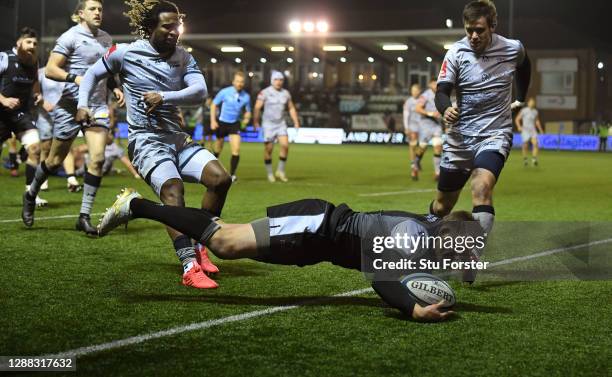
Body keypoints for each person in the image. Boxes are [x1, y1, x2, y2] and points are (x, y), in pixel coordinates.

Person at [99, 188, 478, 322]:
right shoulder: (412, 235)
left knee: (225, 240)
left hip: (314, 242)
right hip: (316, 226)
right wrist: (414, 309)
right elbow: (382, 278)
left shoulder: (428, 234)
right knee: (224, 242)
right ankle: (136, 206)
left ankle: (139, 207)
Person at [78, 0, 231, 289]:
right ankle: (189, 266)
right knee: (173, 190)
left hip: (177, 139)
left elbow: (200, 91)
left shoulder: (184, 57)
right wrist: (83, 104)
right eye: (167, 26)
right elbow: (91, 75)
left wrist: (165, 96)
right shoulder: (124, 53)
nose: (175, 31)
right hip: (146, 141)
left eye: (177, 25)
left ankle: (200, 246)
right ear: (150, 28)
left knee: (220, 179)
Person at [432, 0, 531, 280]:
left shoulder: (512, 48)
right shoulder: (455, 52)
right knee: (442, 207)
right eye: (469, 31)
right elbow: (442, 91)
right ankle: (428, 242)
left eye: (479, 30)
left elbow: (525, 66)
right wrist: (445, 107)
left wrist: (520, 97)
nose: (473, 36)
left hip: (494, 133)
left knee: (482, 188)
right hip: (460, 139)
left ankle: (471, 255)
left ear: (492, 27)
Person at [22, 0, 125, 234]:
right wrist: (78, 80)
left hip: (97, 106)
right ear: (80, 14)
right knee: (54, 161)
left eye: (100, 9)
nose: (98, 12)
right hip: (70, 105)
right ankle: (30, 194)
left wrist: (114, 86)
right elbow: (50, 70)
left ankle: (84, 216)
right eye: (92, 9)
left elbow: (108, 69)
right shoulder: (70, 37)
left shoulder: (107, 39)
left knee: (97, 159)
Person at [0, 28, 47, 206]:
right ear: (19, 43)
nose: (32, 46)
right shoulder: (4, 58)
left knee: (35, 148)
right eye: (28, 42)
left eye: (35, 44)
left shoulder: (34, 63)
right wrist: (3, 100)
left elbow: (34, 82)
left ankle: (30, 195)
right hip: (1, 114)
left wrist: (38, 95)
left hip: (21, 116)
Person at [253, 71, 300, 182]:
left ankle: (280, 170)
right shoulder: (264, 92)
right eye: (276, 79)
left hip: (281, 124)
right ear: (272, 80)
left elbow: (291, 108)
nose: (278, 82)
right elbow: (257, 107)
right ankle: (270, 173)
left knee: (285, 146)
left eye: (281, 80)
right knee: (269, 149)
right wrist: (255, 121)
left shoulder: (286, 93)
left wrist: (296, 121)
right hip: (268, 125)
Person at [210, 71, 252, 182]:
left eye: (242, 82)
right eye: (237, 81)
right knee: (218, 148)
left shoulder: (246, 97)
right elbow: (214, 105)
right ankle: (212, 170)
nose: (239, 83)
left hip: (235, 124)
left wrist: (247, 119)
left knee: (236, 149)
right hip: (222, 122)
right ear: (233, 81)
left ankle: (232, 175)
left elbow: (248, 111)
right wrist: (213, 121)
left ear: (244, 83)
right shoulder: (224, 92)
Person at [73, 132, 140, 178]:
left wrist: (136, 174)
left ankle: (70, 173)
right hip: (88, 163)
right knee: (75, 152)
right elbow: (79, 149)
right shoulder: (98, 144)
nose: (107, 136)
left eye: (109, 134)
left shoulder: (116, 149)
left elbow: (127, 163)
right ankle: (68, 170)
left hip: (95, 168)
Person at [414, 78, 443, 181]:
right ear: (430, 84)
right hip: (425, 125)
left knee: (438, 147)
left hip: (436, 125)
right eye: (434, 84)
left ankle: (437, 173)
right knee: (423, 147)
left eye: (437, 83)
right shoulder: (425, 95)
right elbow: (417, 108)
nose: (436, 85)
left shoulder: (441, 94)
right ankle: (416, 161)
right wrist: (430, 114)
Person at [515, 97, 543, 166]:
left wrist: (540, 129)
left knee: (536, 144)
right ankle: (525, 159)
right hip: (525, 130)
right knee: (525, 145)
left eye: (533, 102)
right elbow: (517, 119)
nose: (532, 103)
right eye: (531, 102)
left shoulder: (535, 111)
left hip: (533, 130)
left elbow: (537, 121)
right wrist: (519, 126)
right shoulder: (524, 110)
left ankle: (534, 159)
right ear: (528, 103)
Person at [403, 83, 422, 180]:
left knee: (421, 146)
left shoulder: (423, 100)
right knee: (413, 145)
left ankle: (417, 160)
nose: (413, 92)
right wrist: (406, 128)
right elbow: (406, 116)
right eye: (412, 90)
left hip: (423, 127)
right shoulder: (408, 102)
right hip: (413, 127)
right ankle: (413, 168)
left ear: (419, 91)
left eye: (415, 90)